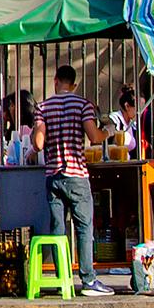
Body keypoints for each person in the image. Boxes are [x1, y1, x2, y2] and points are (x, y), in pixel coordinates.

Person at [40, 64, 105, 292]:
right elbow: (94, 137)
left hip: (53, 176)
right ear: (74, 85)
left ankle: (63, 280)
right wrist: (108, 131)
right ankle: (88, 280)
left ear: (55, 80)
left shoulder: (43, 107)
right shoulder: (83, 105)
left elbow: (38, 143)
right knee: (84, 228)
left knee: (58, 229)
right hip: (77, 175)